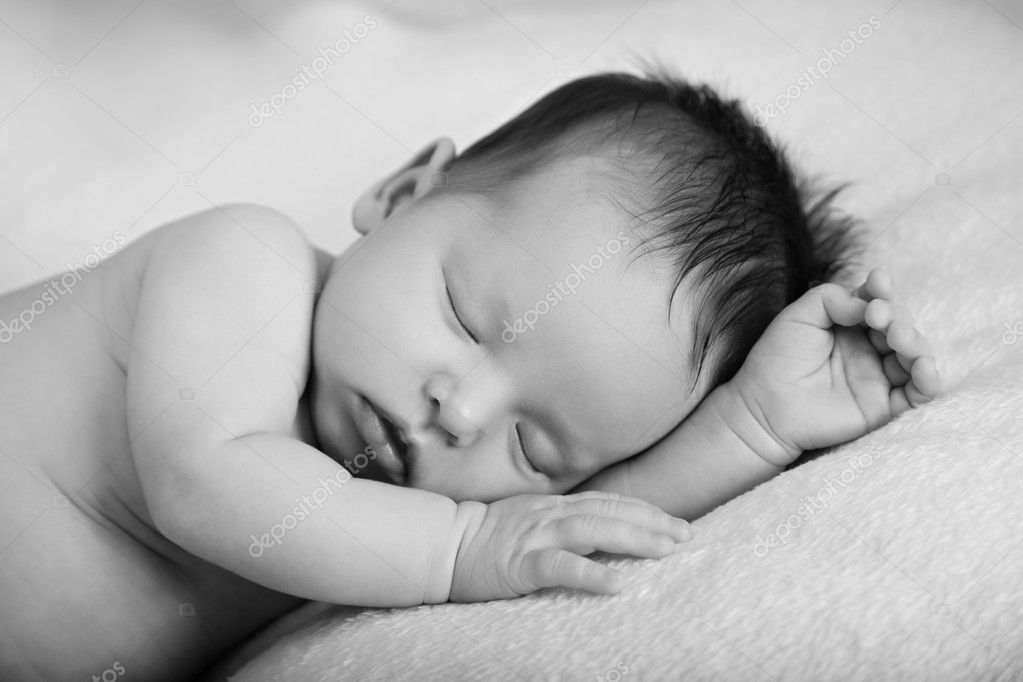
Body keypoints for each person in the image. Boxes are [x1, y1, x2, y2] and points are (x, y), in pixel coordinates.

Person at [0, 72, 938, 681]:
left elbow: (571, 527)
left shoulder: (387, 521)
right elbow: (203, 483)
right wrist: (463, 552)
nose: (461, 408)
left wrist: (757, 427)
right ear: (403, 195)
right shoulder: (245, 263)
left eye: (533, 446)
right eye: (461, 312)